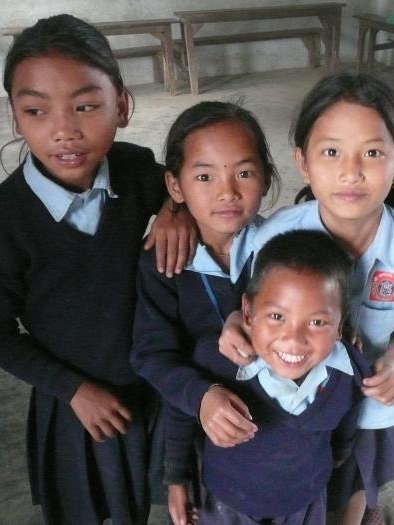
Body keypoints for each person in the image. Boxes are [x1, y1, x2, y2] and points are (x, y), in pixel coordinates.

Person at [0, 14, 192, 525]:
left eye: (86, 106)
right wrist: (71, 390)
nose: (64, 130)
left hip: (156, 376)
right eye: (36, 111)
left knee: (168, 495)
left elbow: (184, 186)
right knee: (91, 507)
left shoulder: (135, 170)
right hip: (80, 400)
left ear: (122, 105)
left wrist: (176, 209)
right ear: (15, 118)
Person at [217, 72, 394, 525]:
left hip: (368, 397)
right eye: (331, 152)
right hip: (291, 398)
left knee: (356, 480)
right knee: (298, 482)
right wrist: (235, 319)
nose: (351, 171)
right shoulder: (278, 234)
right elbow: (252, 300)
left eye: (372, 152)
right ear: (302, 162)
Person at [129, 100, 279, 525]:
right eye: (204, 176)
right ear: (174, 188)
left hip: (280, 420)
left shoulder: (282, 251)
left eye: (244, 173)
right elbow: (152, 356)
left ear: (266, 178)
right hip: (203, 428)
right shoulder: (161, 264)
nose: (227, 191)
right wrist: (201, 398)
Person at [180, 230, 371, 524]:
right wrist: (175, 477)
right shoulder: (216, 360)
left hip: (303, 499)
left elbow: (349, 416)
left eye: (317, 322)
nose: (294, 339)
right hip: (226, 499)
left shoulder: (349, 371)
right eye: (277, 317)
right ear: (247, 312)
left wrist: (340, 454)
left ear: (340, 324)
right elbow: (179, 408)